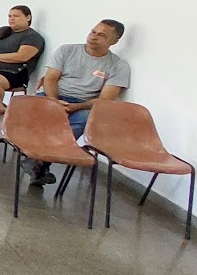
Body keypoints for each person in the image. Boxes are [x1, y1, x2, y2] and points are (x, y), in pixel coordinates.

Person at [26, 19, 130, 186]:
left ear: (114, 41)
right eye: (93, 31)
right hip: (52, 95)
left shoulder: (118, 66)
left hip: (82, 105)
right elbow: (50, 79)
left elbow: (105, 100)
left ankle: (37, 161)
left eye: (102, 35)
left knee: (84, 120)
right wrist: (55, 102)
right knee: (37, 109)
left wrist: (76, 107)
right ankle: (39, 163)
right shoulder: (67, 50)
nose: (94, 37)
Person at [0, 5, 45, 92]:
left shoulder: (32, 37)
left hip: (12, 72)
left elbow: (21, 57)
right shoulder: (2, 30)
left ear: (28, 17)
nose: (11, 19)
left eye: (16, 16)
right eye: (9, 16)